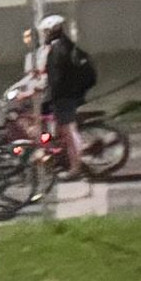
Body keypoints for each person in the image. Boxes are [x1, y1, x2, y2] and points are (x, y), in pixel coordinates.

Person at [35, 11, 97, 176]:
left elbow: (56, 78)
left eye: (45, 32)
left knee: (69, 132)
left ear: (51, 31)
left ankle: (76, 166)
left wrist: (44, 92)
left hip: (64, 97)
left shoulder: (58, 50)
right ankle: (64, 158)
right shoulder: (65, 44)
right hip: (69, 93)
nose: (44, 35)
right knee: (60, 130)